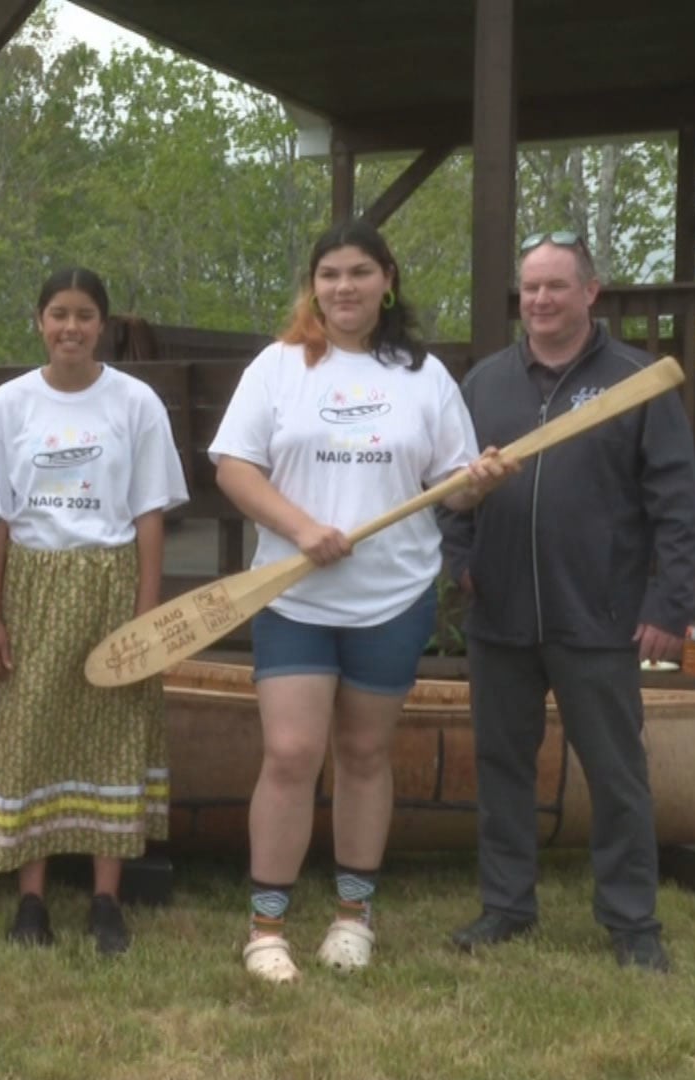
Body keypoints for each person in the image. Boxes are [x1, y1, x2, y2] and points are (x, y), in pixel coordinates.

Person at [208, 220, 514, 983]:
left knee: (366, 753)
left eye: (359, 273)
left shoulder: (424, 378)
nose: (344, 287)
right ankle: (266, 926)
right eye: (330, 274)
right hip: (294, 595)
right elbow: (235, 471)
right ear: (314, 285)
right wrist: (302, 527)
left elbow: (455, 489)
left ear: (387, 281)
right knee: (290, 753)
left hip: (394, 595)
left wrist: (478, 483)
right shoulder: (279, 368)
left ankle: (352, 917)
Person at [441, 230, 695, 974]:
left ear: (591, 292)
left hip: (602, 615)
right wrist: (462, 561)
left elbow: (677, 506)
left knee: (616, 772)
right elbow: (450, 488)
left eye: (557, 286)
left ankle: (630, 920)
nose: (542, 300)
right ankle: (506, 906)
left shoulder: (636, 380)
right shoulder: (484, 384)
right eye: (531, 288)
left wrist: (668, 603)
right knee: (501, 765)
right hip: (501, 615)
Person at [0, 267, 189, 956]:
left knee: (116, 728)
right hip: (34, 583)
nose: (71, 327)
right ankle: (31, 898)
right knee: (29, 727)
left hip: (110, 578)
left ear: (104, 325)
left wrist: (145, 612)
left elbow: (150, 510)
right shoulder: (8, 405)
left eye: (85, 316)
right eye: (58, 314)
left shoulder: (135, 402)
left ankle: (105, 898)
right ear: (39, 321)